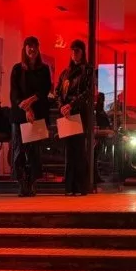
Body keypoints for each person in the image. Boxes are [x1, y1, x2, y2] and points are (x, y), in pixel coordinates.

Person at [9, 36, 52, 197]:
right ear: (25, 48)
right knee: (19, 150)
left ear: (38, 48)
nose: (32, 49)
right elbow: (14, 93)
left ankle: (32, 183)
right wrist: (26, 108)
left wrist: (32, 100)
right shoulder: (17, 69)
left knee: (35, 151)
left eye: (34, 46)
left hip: (38, 115)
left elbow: (45, 90)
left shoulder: (44, 69)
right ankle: (21, 184)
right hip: (20, 115)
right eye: (29, 46)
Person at [56, 39, 93, 196]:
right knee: (69, 151)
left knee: (79, 150)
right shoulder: (65, 72)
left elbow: (87, 92)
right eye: (72, 50)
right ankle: (69, 187)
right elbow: (57, 92)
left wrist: (71, 105)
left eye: (77, 50)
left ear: (82, 52)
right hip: (67, 114)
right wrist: (62, 107)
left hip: (79, 114)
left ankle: (80, 187)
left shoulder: (87, 70)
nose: (74, 53)